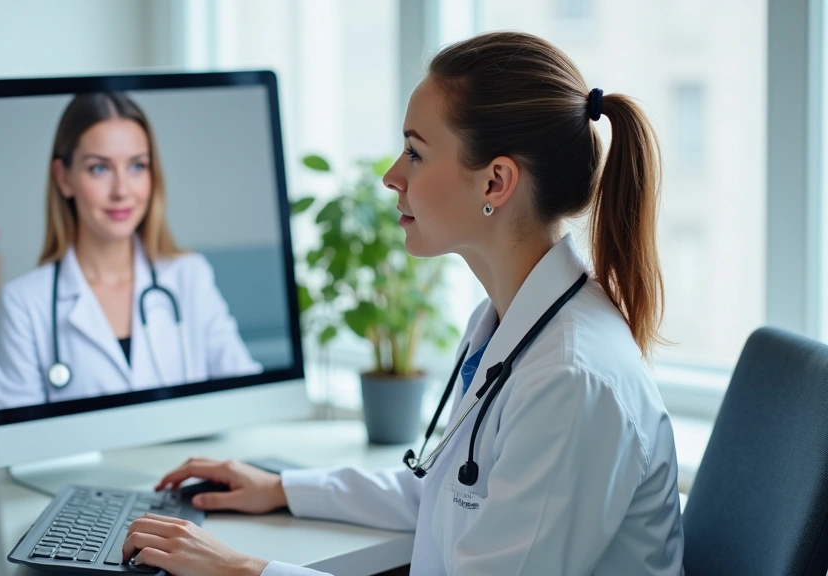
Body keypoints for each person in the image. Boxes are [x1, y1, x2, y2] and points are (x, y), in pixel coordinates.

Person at [120, 31, 684, 576]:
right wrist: (279, 488)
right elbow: (448, 493)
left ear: (495, 182)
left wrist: (243, 571)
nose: (392, 176)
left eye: (415, 152)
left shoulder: (569, 380)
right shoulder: (510, 323)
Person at [0, 92, 261, 410]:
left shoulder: (189, 275)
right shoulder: (24, 304)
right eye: (99, 169)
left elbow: (248, 397)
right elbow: (16, 440)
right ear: (64, 179)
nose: (121, 191)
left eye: (137, 166)